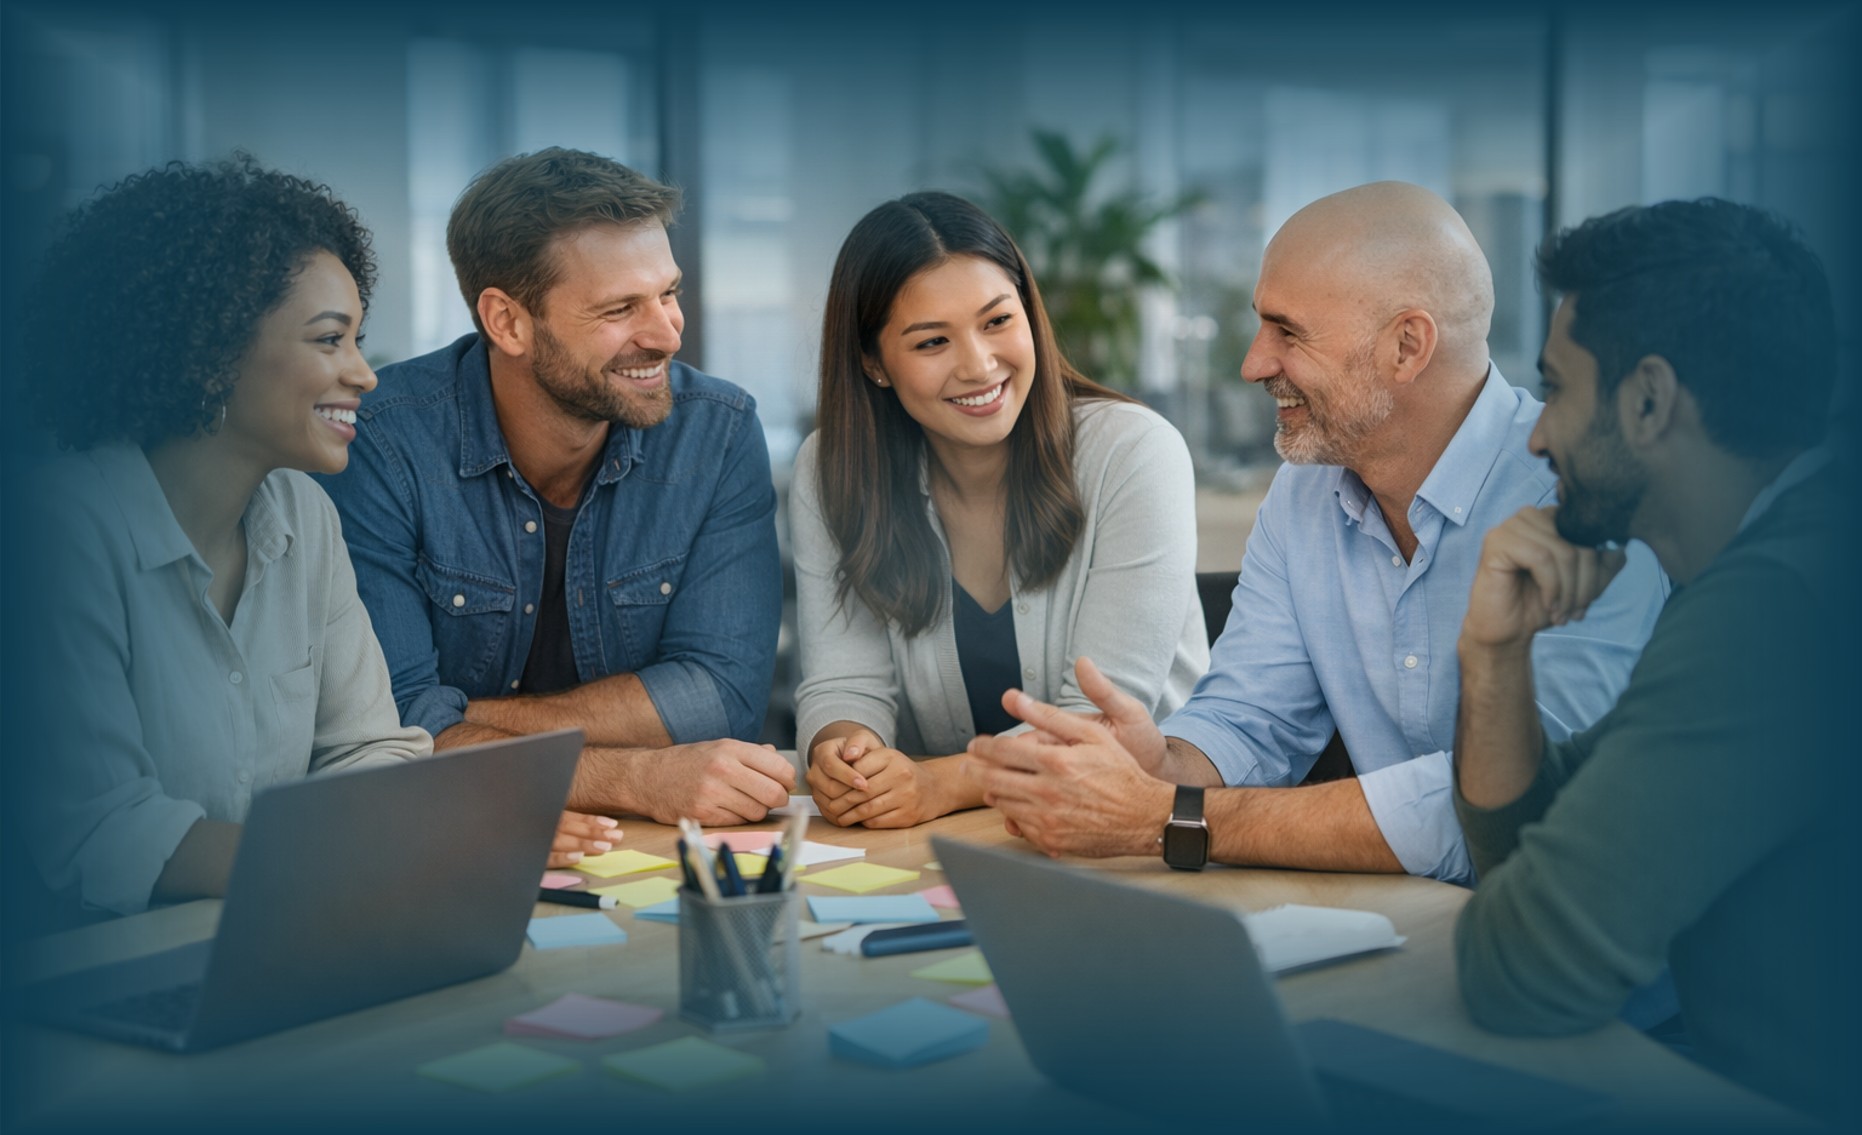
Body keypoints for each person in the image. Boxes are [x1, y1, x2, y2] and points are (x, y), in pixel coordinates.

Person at [968, 182, 1667, 881]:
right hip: (1402, 928)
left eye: (1288, 331)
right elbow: (1250, 722)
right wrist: (1158, 763)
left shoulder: (1581, 499)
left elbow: (1517, 809)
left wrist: (1169, 816)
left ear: (1407, 345)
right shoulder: (1305, 491)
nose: (1252, 364)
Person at [1452, 199, 1853, 1121]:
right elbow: (1532, 845)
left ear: (1647, 400)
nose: (1538, 435)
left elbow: (1519, 968)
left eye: (1555, 388)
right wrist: (1494, 654)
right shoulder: (1774, 565)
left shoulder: (1771, 613)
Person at [10, 157, 450, 919]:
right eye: (328, 340)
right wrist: (350, 855)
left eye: (358, 340)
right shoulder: (59, 535)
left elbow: (367, 749)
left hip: (273, 934)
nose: (364, 373)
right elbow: (103, 826)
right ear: (210, 353)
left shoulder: (304, 515)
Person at [317, 148, 793, 826]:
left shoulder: (716, 433)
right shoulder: (380, 444)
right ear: (506, 321)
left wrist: (463, 723)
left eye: (669, 293)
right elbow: (390, 730)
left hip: (647, 851)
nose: (666, 333)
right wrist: (634, 776)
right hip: (459, 838)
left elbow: (721, 695)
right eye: (620, 308)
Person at [792, 191, 1207, 828]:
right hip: (948, 842)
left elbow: (1105, 719)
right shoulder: (832, 471)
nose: (979, 365)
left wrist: (946, 782)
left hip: (1138, 831)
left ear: (1029, 315)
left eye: (996, 321)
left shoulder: (1135, 453)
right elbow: (844, 685)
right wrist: (848, 760)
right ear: (874, 364)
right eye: (932, 342)